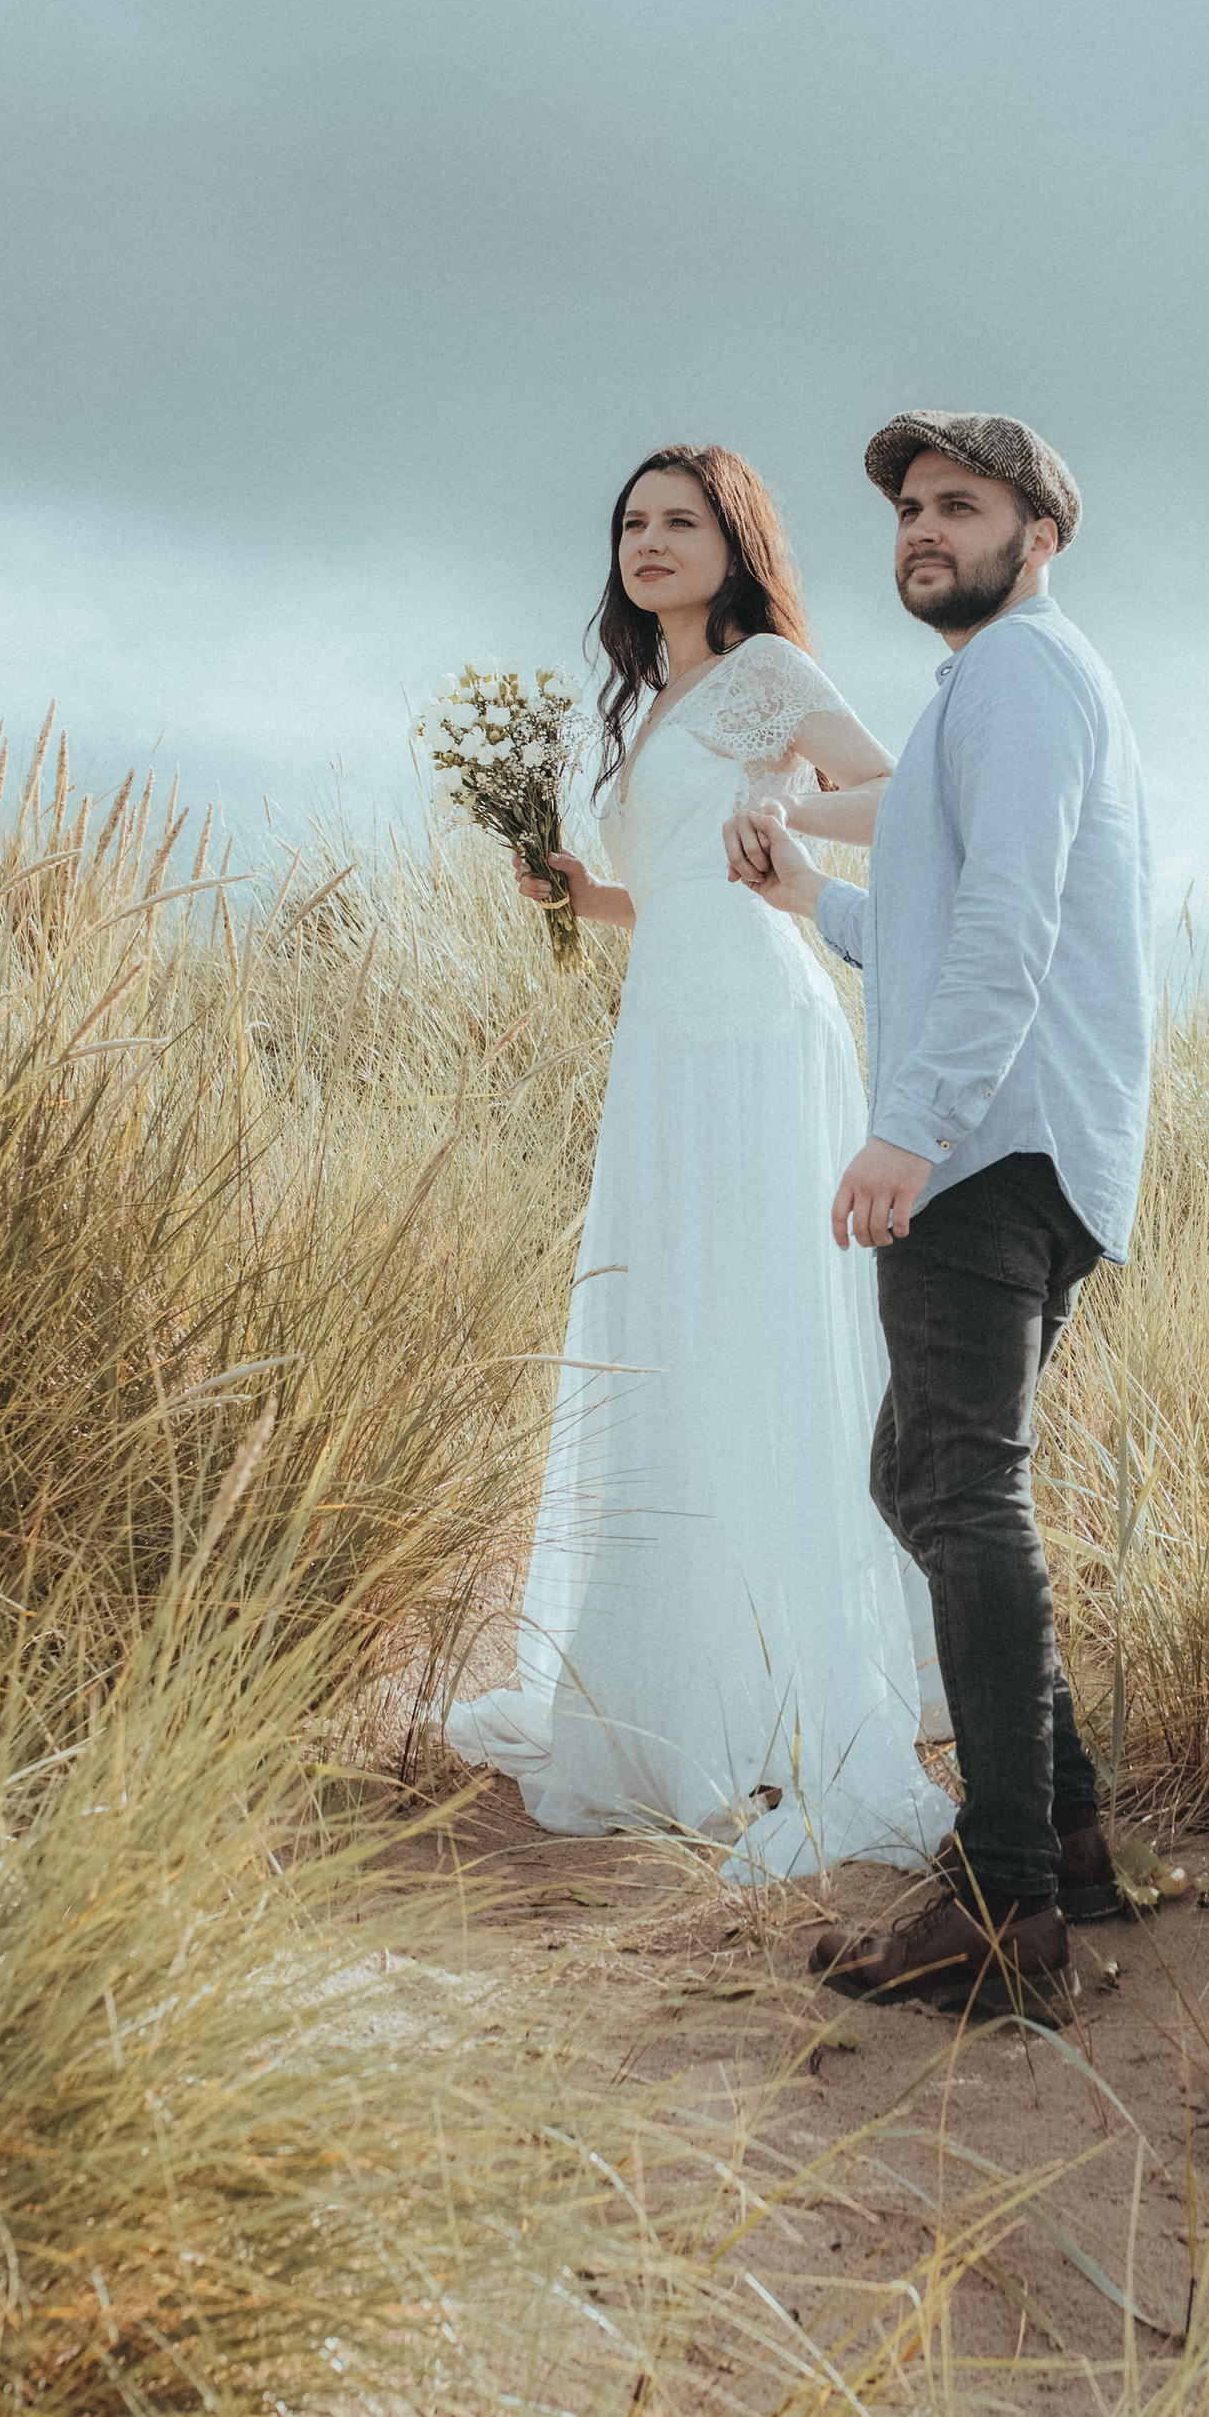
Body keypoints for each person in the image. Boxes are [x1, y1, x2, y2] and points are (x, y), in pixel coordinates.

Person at [444, 445, 948, 1884]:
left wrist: (791, 823)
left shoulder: (769, 672)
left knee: (763, 1332)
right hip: (664, 1037)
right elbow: (665, 891)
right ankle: (679, 1702)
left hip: (757, 1032)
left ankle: (800, 1695)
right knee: (668, 1339)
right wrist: (575, 891)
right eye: (631, 524)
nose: (650, 541)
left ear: (734, 542)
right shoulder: (640, 704)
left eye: (680, 521)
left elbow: (899, 793)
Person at [728, 411, 1162, 2013]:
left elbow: (1010, 921)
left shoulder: (1033, 675)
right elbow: (923, 931)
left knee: (958, 1485)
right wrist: (808, 902)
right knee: (922, 1472)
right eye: (909, 507)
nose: (921, 527)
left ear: (1034, 535)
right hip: (1018, 1142)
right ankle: (1065, 1828)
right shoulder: (978, 694)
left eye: (957, 504)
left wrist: (908, 1128)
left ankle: (1007, 1899)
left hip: (996, 1150)